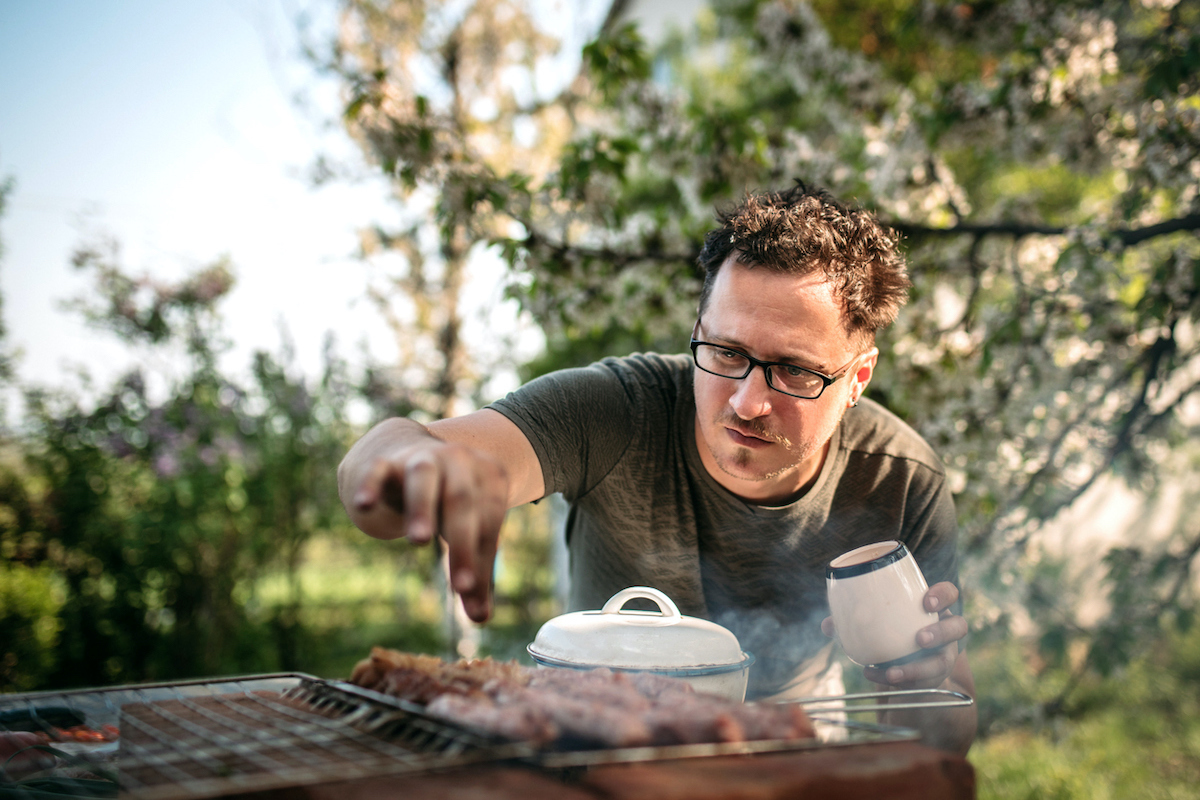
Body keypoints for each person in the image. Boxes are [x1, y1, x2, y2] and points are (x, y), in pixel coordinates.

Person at [338, 182, 977, 754]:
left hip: (790, 748)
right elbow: (395, 453)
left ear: (858, 376)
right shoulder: (615, 411)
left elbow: (943, 740)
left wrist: (922, 684)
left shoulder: (901, 480)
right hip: (598, 742)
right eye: (724, 352)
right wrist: (407, 464)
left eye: (795, 370)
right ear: (697, 329)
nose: (748, 401)